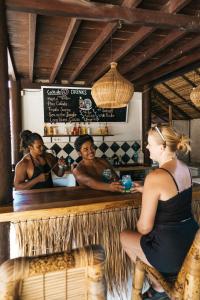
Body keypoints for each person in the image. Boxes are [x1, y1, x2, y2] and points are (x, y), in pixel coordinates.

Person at [120, 125, 199, 300]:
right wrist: (146, 190)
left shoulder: (155, 177)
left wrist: (148, 189)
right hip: (191, 244)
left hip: (171, 252)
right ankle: (160, 287)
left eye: (149, 144)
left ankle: (158, 286)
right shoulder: (184, 167)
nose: (146, 147)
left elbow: (144, 229)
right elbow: (172, 196)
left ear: (162, 147)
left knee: (124, 236)